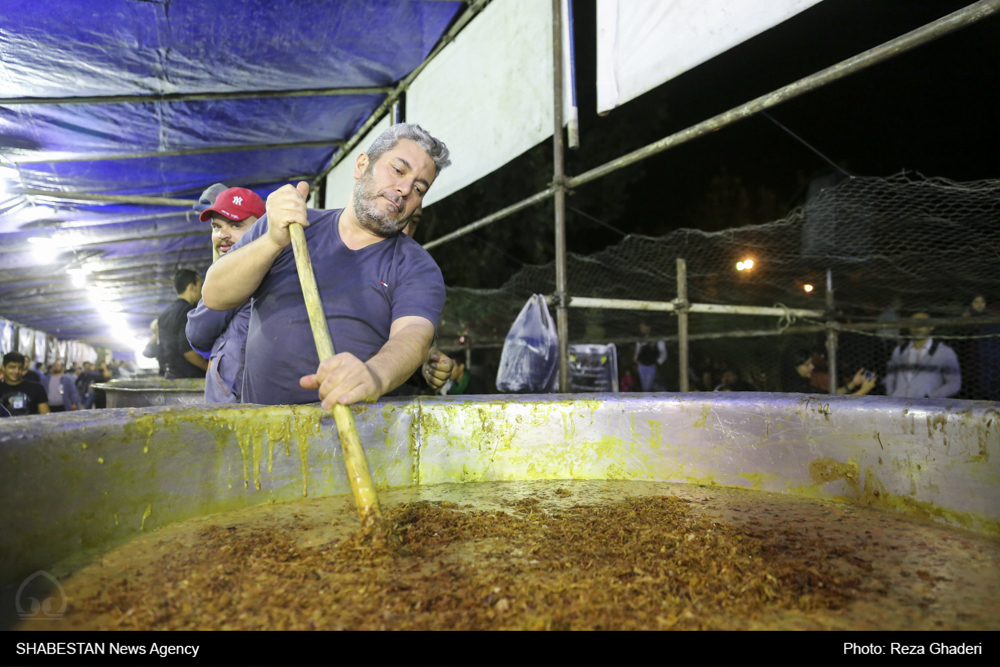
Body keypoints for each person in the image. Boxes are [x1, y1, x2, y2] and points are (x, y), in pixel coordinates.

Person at [202, 123, 451, 407]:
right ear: (361, 165)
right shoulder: (291, 227)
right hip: (260, 432)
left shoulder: (417, 266)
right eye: (398, 170)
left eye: (419, 188)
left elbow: (413, 336)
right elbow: (214, 295)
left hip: (354, 433)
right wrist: (272, 240)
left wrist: (374, 375)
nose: (405, 189)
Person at [185, 187, 264, 403]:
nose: (222, 234)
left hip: (239, 403)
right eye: (216, 226)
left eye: (236, 225)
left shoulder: (243, 270)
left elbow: (198, 332)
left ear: (261, 227)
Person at [885, 313, 961, 398]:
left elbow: (954, 383)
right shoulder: (900, 350)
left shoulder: (944, 352)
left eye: (922, 324)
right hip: (898, 405)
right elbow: (891, 376)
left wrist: (930, 397)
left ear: (931, 327)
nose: (917, 327)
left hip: (925, 408)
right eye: (913, 324)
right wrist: (891, 395)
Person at [158, 269, 209, 379]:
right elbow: (189, 352)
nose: (201, 291)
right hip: (189, 377)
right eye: (200, 286)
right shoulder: (189, 312)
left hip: (169, 376)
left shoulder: (164, 315)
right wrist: (210, 370)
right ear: (192, 287)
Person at [785, 350, 877, 395]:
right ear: (795, 367)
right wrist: (864, 390)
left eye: (811, 363)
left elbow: (832, 395)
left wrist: (852, 384)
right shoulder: (800, 391)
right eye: (807, 365)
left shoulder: (807, 384)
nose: (812, 366)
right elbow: (839, 408)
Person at [1, 352, 50, 416]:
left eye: (20, 368)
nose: (16, 371)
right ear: (3, 368)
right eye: (12, 367)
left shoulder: (37, 388)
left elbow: (46, 415)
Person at [634, 322, 666, 392]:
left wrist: (657, 363)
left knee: (650, 386)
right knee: (644, 386)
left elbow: (663, 352)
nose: (641, 329)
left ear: (648, 327)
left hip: (651, 365)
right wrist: (636, 360)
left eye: (643, 327)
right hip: (642, 364)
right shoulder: (640, 338)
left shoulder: (656, 337)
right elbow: (637, 350)